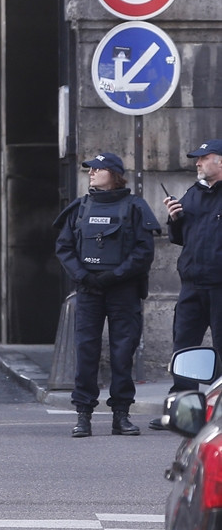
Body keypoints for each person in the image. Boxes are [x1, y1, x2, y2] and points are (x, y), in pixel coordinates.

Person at [54, 152, 160, 438]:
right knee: (86, 351)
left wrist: (116, 276)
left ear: (114, 174)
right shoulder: (81, 207)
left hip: (122, 290)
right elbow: (64, 247)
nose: (91, 173)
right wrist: (83, 275)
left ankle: (121, 415)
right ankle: (84, 415)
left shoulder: (135, 207)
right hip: (89, 289)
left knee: (122, 352)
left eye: (98, 169)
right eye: (90, 169)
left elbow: (143, 251)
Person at [150, 139, 222, 430]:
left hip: (220, 286)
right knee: (184, 350)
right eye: (197, 159)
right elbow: (180, 238)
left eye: (204, 158)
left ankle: (217, 414)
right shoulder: (193, 194)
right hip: (192, 285)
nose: (197, 163)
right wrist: (175, 219)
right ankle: (183, 412)